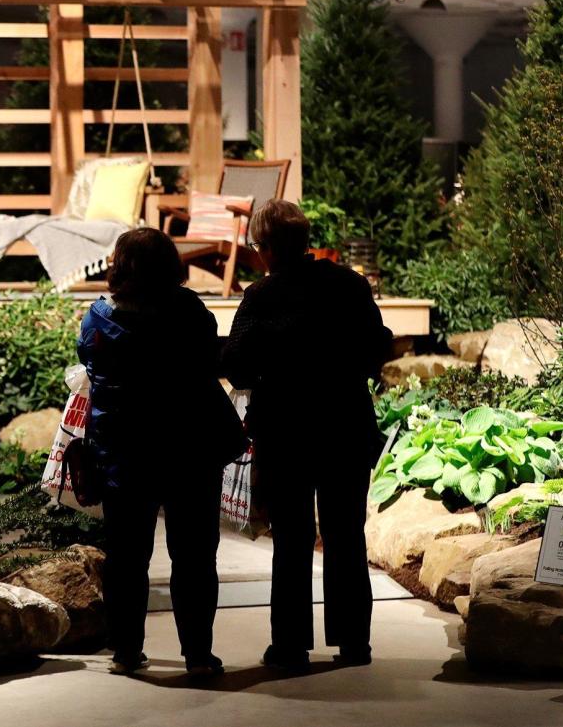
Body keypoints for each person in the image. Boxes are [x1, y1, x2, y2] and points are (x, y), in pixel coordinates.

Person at [222, 200, 392, 671]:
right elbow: (377, 346)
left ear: (270, 248)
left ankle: (291, 646)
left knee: (293, 542)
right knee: (345, 536)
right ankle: (354, 643)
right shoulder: (350, 285)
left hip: (286, 433)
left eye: (258, 247)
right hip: (345, 426)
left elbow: (235, 366)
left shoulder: (263, 297)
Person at [78, 227, 244, 677]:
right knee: (193, 556)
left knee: (127, 557)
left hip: (124, 453)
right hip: (189, 451)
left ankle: (126, 651)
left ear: (120, 267)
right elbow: (211, 362)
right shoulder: (190, 313)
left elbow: (89, 367)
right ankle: (198, 655)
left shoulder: (97, 320)